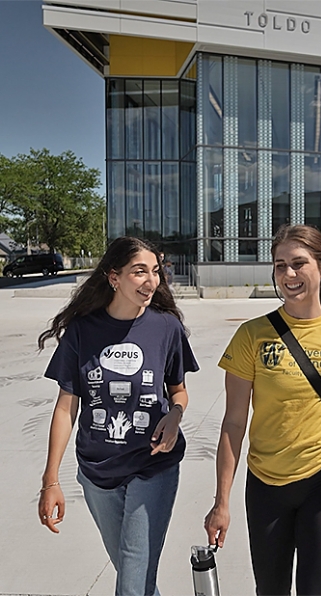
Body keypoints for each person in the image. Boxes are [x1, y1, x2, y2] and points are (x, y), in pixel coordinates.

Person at [204, 224, 321, 596]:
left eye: (299, 264)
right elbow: (234, 423)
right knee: (270, 591)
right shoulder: (252, 336)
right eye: (279, 265)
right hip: (266, 485)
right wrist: (221, 502)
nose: (288, 275)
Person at [37, 236, 199, 596]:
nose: (151, 281)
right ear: (114, 277)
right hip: (97, 472)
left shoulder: (166, 327)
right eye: (139, 272)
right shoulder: (82, 331)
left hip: (152, 465)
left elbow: (179, 391)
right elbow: (66, 408)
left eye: (155, 272)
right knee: (136, 577)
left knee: (131, 582)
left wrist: (175, 414)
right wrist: (51, 481)